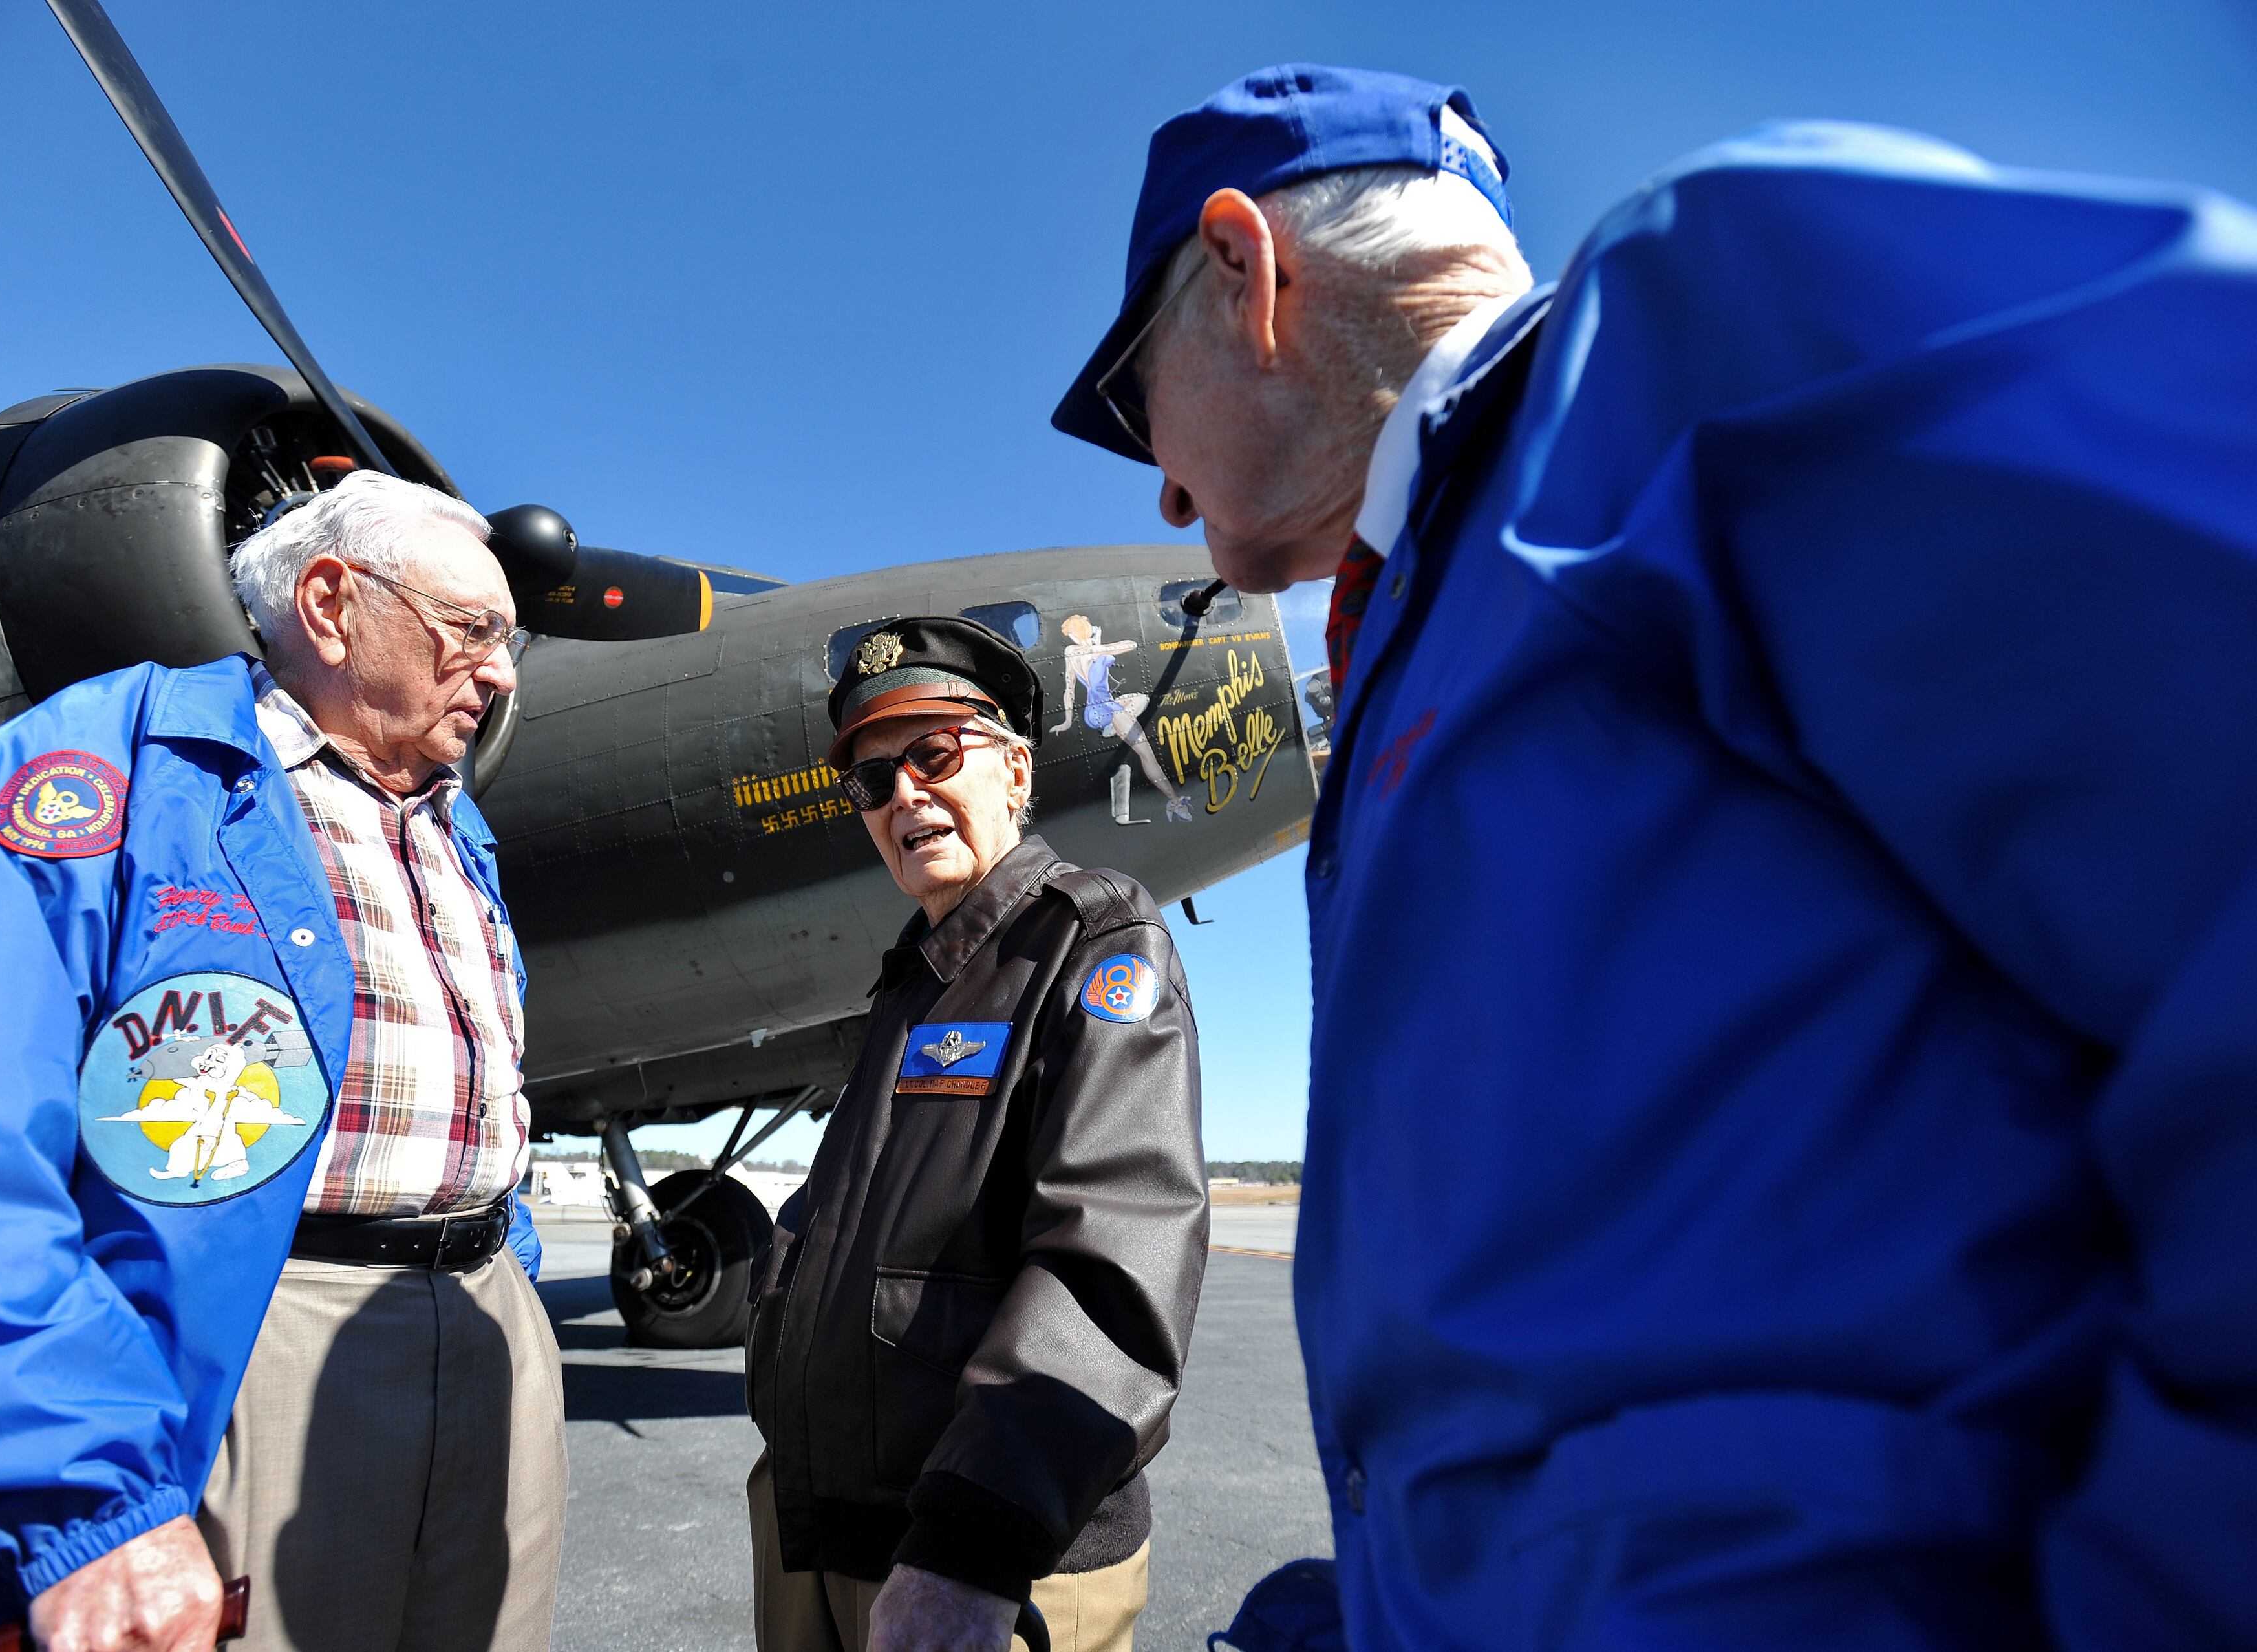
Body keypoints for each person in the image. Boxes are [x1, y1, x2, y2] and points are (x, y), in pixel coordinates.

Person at [1053, 64, 2257, 1651]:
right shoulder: (1436, 607)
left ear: (1242, 269)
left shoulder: (1692, 329)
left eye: (1146, 402)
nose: (1158, 486)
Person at [0, 469, 566, 1652]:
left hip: (488, 1320)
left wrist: (508, 1273)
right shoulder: (112, 767)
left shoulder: (458, 828)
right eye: (473, 632)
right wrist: (83, 1501)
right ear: (333, 603)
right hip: (267, 1341)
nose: (503, 674)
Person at [745, 617, 1208, 1652]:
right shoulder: (914, 975)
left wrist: (973, 1542)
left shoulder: (1088, 939)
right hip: (830, 1529)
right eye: (870, 781)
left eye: (933, 754)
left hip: (989, 1558)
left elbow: (1111, 1257)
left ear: (1017, 770)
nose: (901, 794)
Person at [1045, 613, 1190, 821]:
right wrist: (1099, 645)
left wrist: (1067, 721)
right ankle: (1174, 800)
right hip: (1105, 710)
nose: (1073, 637)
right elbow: (1130, 644)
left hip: (1096, 709)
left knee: (1142, 700)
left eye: (1073, 633)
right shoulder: (1094, 650)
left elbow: (1069, 690)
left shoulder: (1071, 652)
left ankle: (1113, 728)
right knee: (1146, 754)